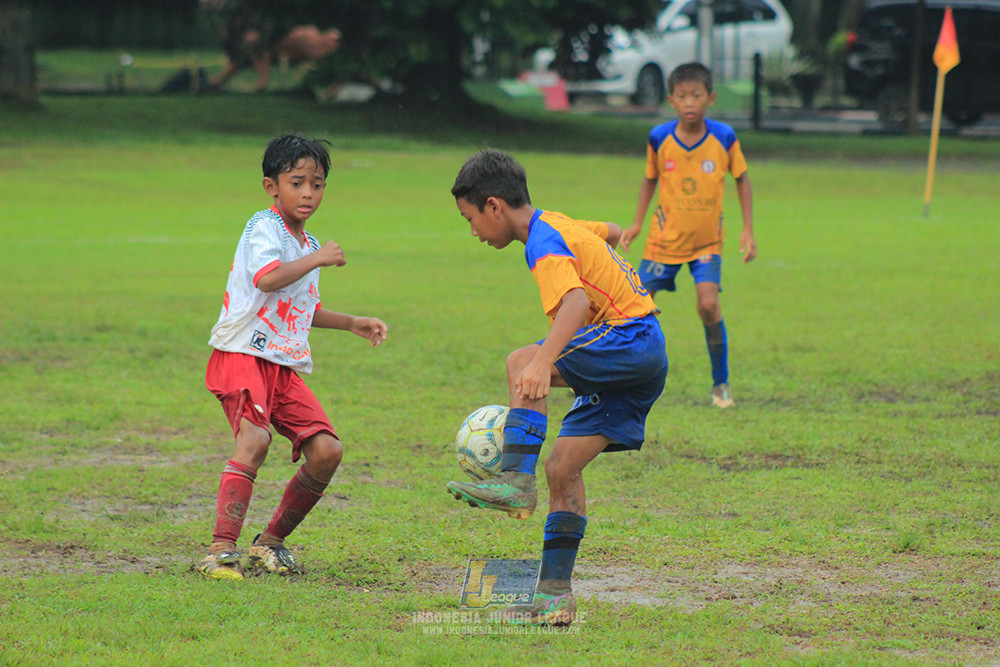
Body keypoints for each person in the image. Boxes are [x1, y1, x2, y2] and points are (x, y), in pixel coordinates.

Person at [445, 149, 668, 626]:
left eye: (471, 219)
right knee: (563, 468)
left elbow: (574, 301)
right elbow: (599, 232)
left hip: (629, 338)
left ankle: (514, 482)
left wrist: (542, 363)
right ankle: (554, 598)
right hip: (643, 358)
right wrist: (617, 234)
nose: (474, 233)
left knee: (520, 361)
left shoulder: (543, 243)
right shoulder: (557, 222)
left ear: (494, 207)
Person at [196, 135, 388, 580]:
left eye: (317, 184)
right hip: (242, 354)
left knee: (327, 451)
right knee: (256, 441)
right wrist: (318, 259)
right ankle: (220, 552)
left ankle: (270, 544)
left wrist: (351, 321)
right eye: (297, 182)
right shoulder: (263, 227)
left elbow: (299, 307)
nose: (308, 193)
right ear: (271, 186)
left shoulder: (307, 243)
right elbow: (267, 279)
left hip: (282, 365)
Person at [620, 62, 756, 409]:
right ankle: (622, 382)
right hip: (662, 242)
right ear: (671, 100)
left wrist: (748, 230)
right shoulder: (659, 137)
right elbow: (649, 178)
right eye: (682, 96)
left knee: (709, 305)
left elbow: (741, 178)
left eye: (697, 95)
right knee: (632, 308)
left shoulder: (724, 137)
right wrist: (636, 223)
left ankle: (721, 384)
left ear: (710, 98)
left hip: (707, 243)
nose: (690, 102)